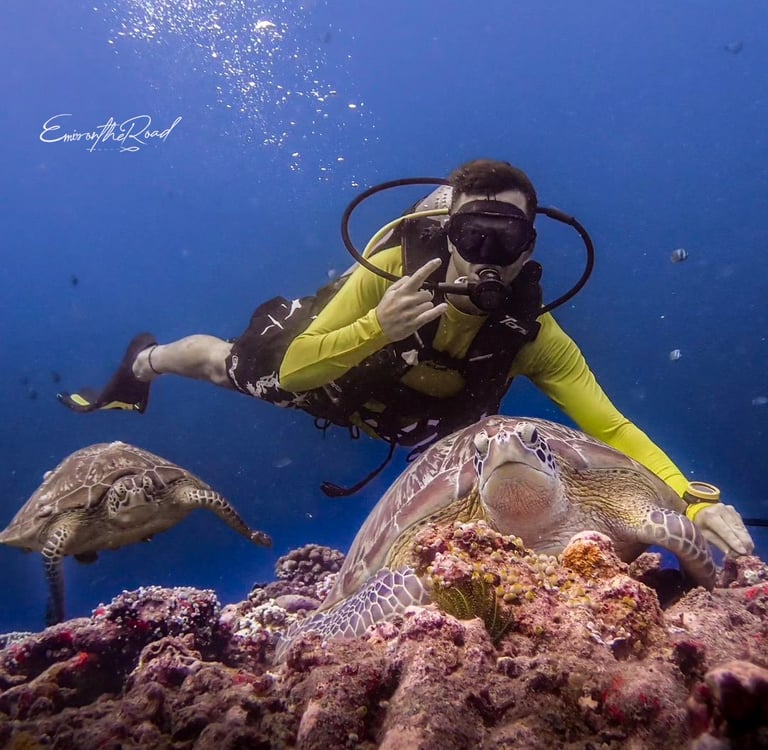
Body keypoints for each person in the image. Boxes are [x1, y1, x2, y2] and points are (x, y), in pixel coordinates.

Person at [58, 159, 754, 558]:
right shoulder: (390, 269)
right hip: (327, 373)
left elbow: (614, 428)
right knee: (232, 366)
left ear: (530, 250)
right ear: (445, 234)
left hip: (419, 425)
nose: (484, 257)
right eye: (470, 235)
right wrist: (375, 327)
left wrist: (691, 501)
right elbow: (300, 369)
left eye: (503, 238)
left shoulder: (532, 334)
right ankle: (144, 363)